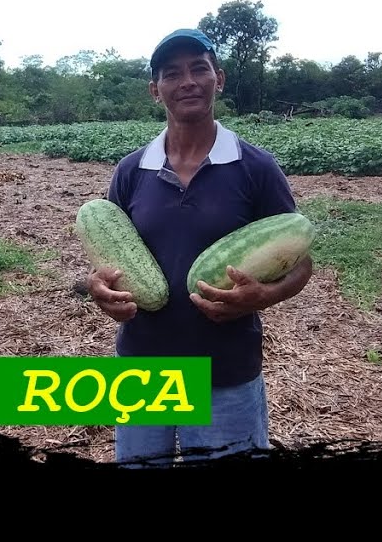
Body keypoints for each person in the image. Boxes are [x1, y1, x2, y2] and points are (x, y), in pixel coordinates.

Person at [85, 28, 315, 468]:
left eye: (199, 69)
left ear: (219, 79)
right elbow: (107, 252)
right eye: (172, 74)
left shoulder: (256, 168)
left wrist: (262, 296)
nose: (187, 81)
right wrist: (98, 288)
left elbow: (300, 261)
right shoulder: (132, 170)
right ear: (156, 91)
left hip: (224, 370)